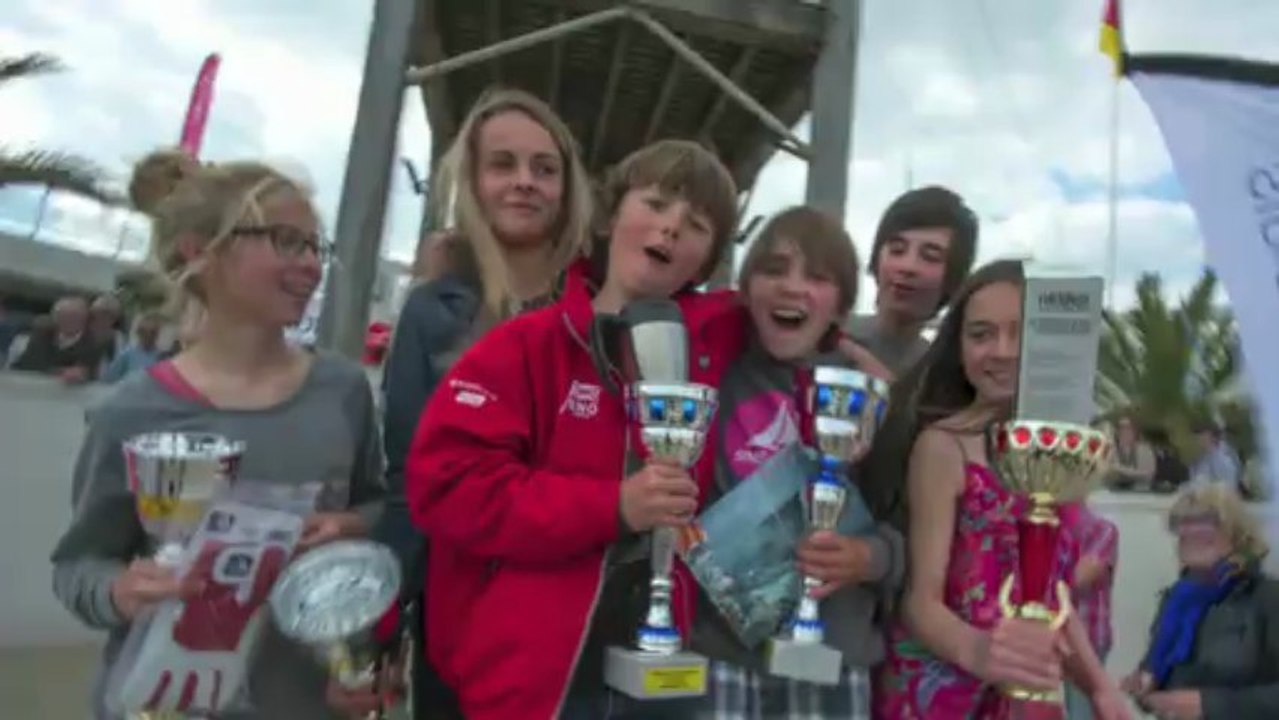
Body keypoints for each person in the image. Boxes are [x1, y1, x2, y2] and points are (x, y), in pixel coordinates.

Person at [405, 139, 740, 720]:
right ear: (612, 216)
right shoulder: (524, 346)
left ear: (707, 259)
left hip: (662, 677)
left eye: (696, 224)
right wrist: (612, 507)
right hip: (532, 687)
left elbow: (798, 310)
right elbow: (447, 485)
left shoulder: (717, 349)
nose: (669, 229)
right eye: (656, 204)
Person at [49, 152, 385, 719]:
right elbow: (78, 565)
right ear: (198, 251)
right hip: (159, 702)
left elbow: (378, 505)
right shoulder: (130, 411)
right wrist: (119, 592)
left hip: (302, 702)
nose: (310, 265)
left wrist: (353, 526)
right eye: (285, 241)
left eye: (315, 247)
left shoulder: (344, 390)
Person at [373, 87, 594, 720]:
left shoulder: (603, 308)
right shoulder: (430, 313)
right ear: (471, 180)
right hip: (459, 626)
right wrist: (385, 623)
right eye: (503, 165)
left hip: (577, 627)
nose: (525, 183)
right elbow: (407, 483)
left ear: (567, 186)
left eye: (544, 169)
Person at [864, 260, 1129, 719]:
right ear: (960, 347)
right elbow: (921, 603)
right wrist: (983, 653)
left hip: (1024, 689)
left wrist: (1100, 687)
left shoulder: (1059, 450)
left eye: (1018, 332)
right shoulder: (943, 447)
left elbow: (1055, 596)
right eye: (981, 334)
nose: (1001, 351)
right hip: (940, 693)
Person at [685, 206, 897, 718]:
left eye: (817, 277)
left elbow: (917, 536)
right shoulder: (711, 371)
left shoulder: (871, 395)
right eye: (774, 269)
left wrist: (870, 558)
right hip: (722, 658)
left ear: (842, 305)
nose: (792, 287)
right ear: (746, 287)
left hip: (832, 661)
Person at [1121, 483, 1279, 719]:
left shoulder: (1266, 597)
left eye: (1207, 523)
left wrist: (1208, 706)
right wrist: (1143, 687)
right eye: (1183, 525)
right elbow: (1160, 677)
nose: (1191, 533)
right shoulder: (1175, 601)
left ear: (1236, 533)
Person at [845, 186, 979, 376]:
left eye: (930, 256)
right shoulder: (824, 340)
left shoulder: (945, 375)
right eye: (897, 250)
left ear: (954, 276)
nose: (908, 267)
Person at [1061, 503, 1119, 720]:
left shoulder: (1102, 530)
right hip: (1049, 637)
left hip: (1089, 637)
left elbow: (1079, 578)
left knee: (1081, 714)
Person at [12, 295, 102, 382]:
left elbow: (89, 374)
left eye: (75, 316)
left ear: (85, 319)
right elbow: (30, 364)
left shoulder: (93, 344)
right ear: (56, 318)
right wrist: (61, 371)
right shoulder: (41, 334)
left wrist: (80, 375)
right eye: (64, 316)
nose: (70, 320)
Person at [100, 311, 165, 383]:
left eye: (152, 332)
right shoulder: (127, 355)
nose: (148, 336)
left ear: (157, 334)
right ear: (138, 333)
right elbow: (109, 379)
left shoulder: (161, 357)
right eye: (144, 332)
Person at [1107, 414, 1156, 491]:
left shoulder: (1144, 450)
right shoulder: (1112, 450)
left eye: (1128, 429)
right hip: (1115, 492)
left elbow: (1148, 474)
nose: (1124, 432)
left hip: (1142, 491)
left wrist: (1120, 468)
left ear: (1135, 432)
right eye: (1121, 429)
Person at [1189, 419, 1242, 490]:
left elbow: (1228, 486)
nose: (1199, 440)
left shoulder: (1223, 460)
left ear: (1213, 437)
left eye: (1203, 436)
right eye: (1198, 437)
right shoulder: (1203, 458)